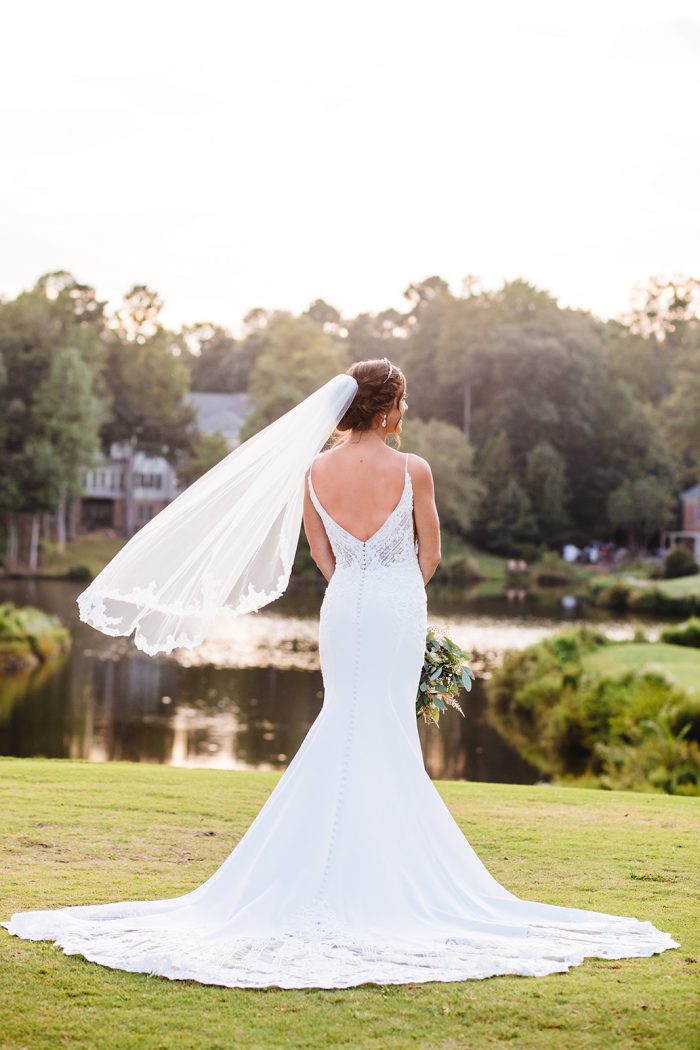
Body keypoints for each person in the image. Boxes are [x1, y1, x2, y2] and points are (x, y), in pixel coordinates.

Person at [2, 358, 678, 988]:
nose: (406, 412)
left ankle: (333, 866)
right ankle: (378, 873)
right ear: (385, 410)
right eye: (403, 402)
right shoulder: (414, 469)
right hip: (395, 605)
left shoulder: (313, 473)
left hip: (343, 604)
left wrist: (356, 585)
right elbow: (431, 551)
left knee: (346, 720)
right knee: (381, 727)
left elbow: (322, 554)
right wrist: (399, 597)